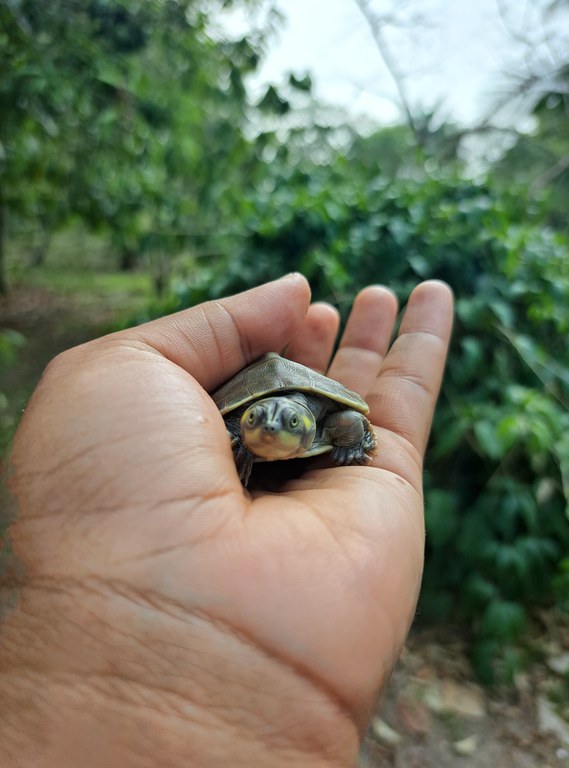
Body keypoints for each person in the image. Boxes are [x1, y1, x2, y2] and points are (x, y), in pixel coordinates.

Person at [0, 274, 453, 768]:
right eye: (256, 422)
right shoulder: (242, 424)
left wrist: (354, 440)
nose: (269, 430)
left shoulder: (330, 420)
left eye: (286, 425)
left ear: (306, 426)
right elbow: (238, 422)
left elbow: (351, 420)